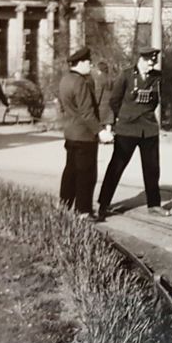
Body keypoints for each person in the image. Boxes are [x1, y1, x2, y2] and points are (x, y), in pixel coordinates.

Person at [97, 46, 171, 218]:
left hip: (149, 129)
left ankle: (154, 205)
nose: (152, 66)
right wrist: (123, 117)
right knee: (116, 167)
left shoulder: (157, 78)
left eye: (154, 63)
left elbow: (156, 101)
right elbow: (114, 100)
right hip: (127, 129)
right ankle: (103, 204)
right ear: (141, 60)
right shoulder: (126, 75)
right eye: (149, 63)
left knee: (152, 168)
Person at [58, 46, 113, 219]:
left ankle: (64, 205)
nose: (90, 65)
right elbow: (87, 112)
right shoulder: (80, 82)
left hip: (71, 133)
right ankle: (84, 210)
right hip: (84, 135)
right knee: (86, 174)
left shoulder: (65, 80)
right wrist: (100, 132)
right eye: (88, 62)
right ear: (80, 63)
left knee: (70, 171)